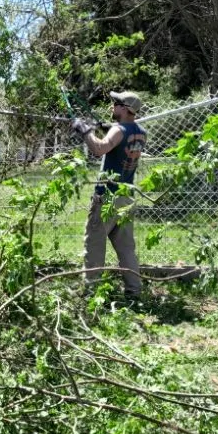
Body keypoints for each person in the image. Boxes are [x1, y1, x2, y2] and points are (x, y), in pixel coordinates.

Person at [72, 91, 148, 298]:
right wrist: (106, 130)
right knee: (126, 248)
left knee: (94, 244)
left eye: (116, 103)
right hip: (126, 196)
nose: (112, 106)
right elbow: (121, 144)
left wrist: (85, 131)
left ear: (125, 108)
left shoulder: (118, 130)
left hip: (107, 197)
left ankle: (91, 293)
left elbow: (99, 149)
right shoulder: (141, 132)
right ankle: (134, 291)